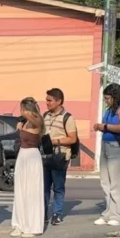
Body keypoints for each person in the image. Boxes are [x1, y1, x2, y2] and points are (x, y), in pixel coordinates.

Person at [93, 84, 120, 227]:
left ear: (115, 96)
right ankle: (109, 212)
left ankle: (119, 215)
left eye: (108, 98)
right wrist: (101, 127)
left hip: (118, 147)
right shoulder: (110, 110)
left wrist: (104, 127)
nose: (106, 101)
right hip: (106, 145)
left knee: (117, 183)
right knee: (106, 182)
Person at [42, 88, 78, 225]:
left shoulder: (67, 118)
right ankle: (43, 213)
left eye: (49, 100)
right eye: (47, 100)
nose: (47, 103)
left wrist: (55, 141)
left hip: (60, 155)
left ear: (59, 101)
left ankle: (57, 213)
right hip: (45, 155)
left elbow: (72, 139)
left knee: (58, 187)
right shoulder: (45, 116)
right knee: (44, 187)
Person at [11, 97, 45, 238]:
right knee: (20, 191)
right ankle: (19, 224)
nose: (21, 111)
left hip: (32, 156)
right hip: (22, 155)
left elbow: (37, 121)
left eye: (23, 108)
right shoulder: (25, 121)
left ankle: (32, 226)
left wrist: (27, 114)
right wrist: (21, 121)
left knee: (32, 191)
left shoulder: (37, 120)